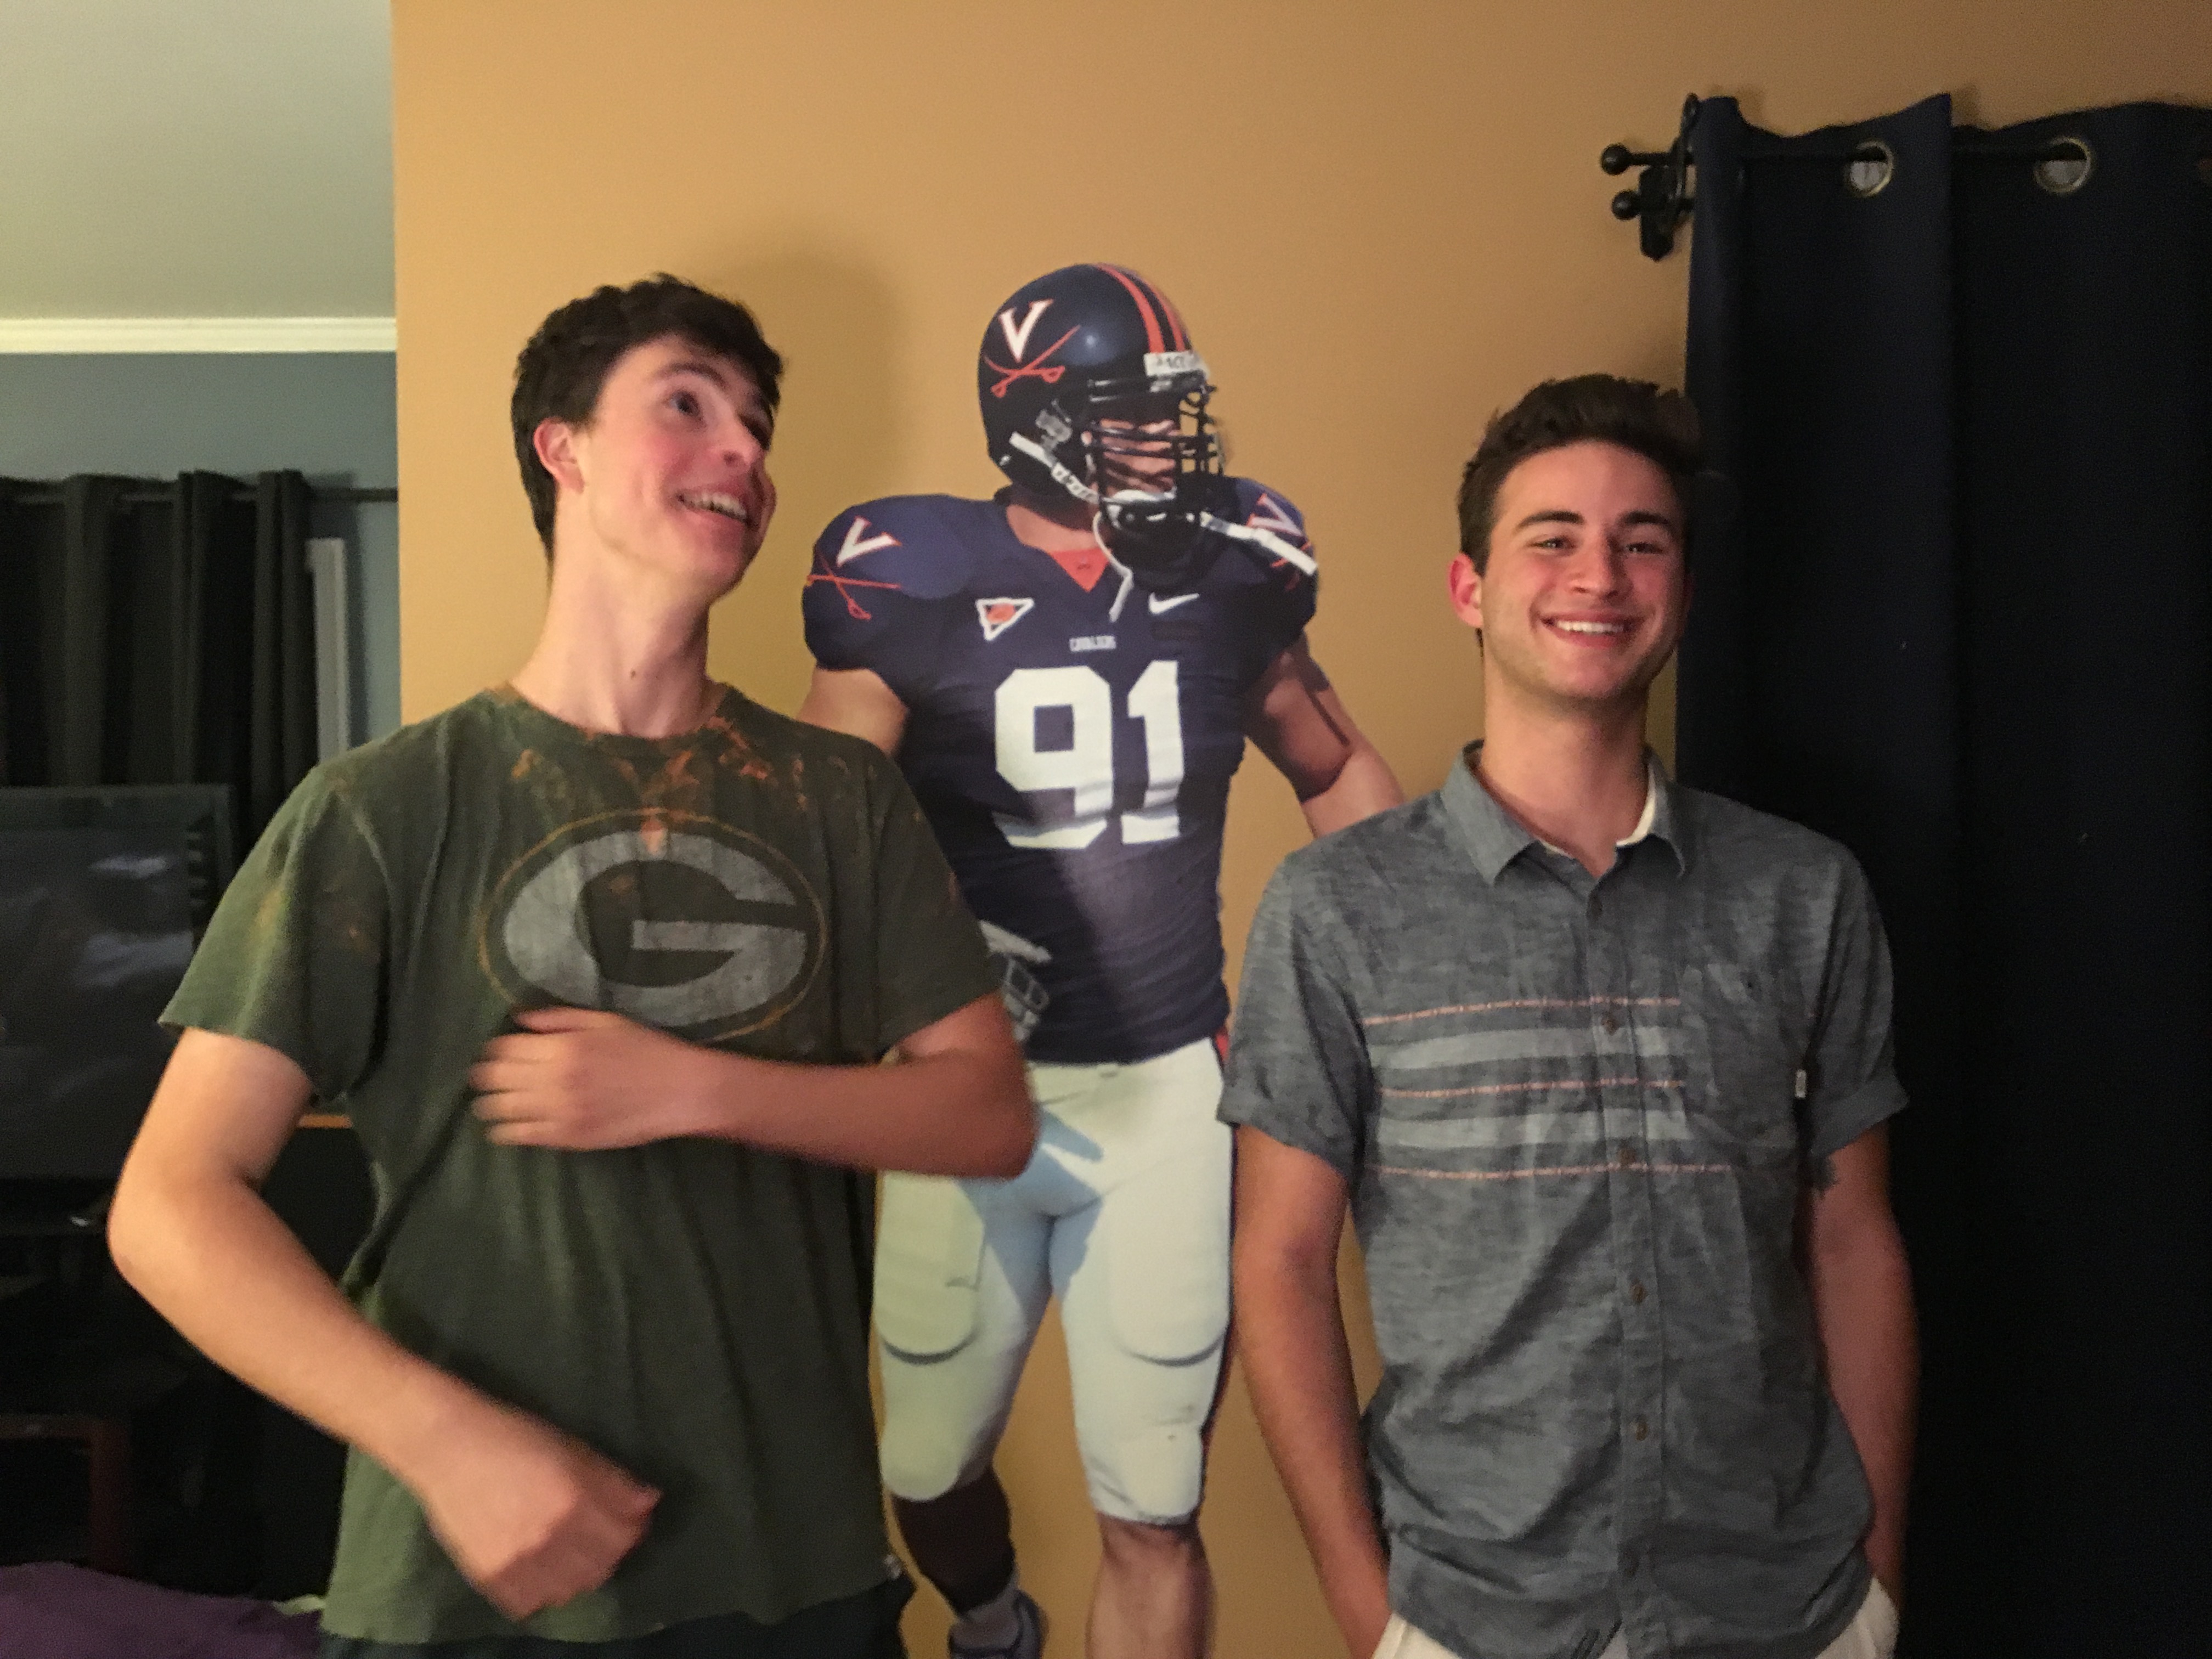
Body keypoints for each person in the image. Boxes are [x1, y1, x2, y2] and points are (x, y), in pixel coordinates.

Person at [106, 275, 1035, 1659]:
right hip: (470, 1593)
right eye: (687, 406)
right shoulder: (385, 808)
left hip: (793, 1573)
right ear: (565, 449)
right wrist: (444, 1440)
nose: (745, 453)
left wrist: (693, 1090)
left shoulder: (838, 795)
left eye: (757, 426)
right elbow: (170, 1206)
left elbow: (988, 1113)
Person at [1224, 376, 1918, 1659]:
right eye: (1552, 537)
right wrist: (1367, 1610)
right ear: (1470, 591)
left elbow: (1854, 1243)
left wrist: (1875, 1583)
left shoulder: (1805, 894)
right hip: (1466, 1615)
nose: (1598, 574)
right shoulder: (1337, 910)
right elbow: (1277, 1264)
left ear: (1684, 593)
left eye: (1642, 541)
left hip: (1789, 1609)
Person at [798, 263, 1402, 1659]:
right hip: (967, 1087)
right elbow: (830, 825)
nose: (1173, 444)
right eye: (1137, 416)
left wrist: (1417, 948)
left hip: (1171, 1089)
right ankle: (995, 1619)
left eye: (1174, 414)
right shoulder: (913, 575)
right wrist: (931, 948)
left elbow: (1335, 760)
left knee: (1154, 1499)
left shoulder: (1235, 570)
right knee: (927, 1468)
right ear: (1042, 419)